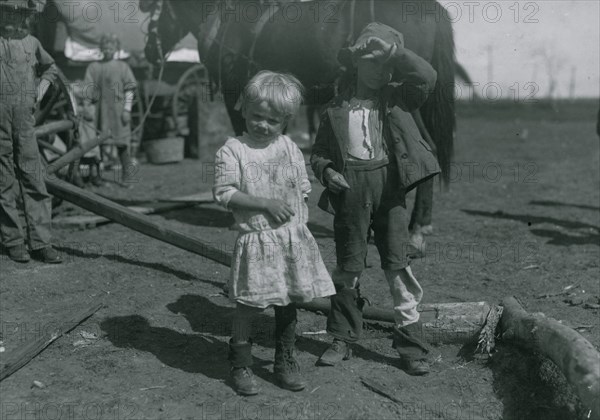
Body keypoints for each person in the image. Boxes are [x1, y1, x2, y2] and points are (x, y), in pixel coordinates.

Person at [310, 22, 440, 375]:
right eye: (372, 62)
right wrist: (326, 171)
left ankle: (411, 345)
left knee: (397, 264)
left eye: (387, 66)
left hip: (390, 192)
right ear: (355, 63)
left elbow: (426, 78)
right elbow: (318, 153)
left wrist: (396, 53)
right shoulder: (335, 109)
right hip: (351, 191)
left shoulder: (398, 99)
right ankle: (342, 337)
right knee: (349, 265)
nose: (380, 71)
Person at [213, 71, 335, 395]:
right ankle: (240, 364)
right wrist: (265, 203)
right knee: (248, 304)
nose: (263, 126)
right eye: (257, 117)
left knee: (289, 300)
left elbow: (303, 185)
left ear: (285, 121)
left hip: (290, 241)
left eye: (273, 121)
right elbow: (224, 192)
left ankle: (286, 359)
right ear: (243, 109)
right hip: (256, 241)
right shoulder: (233, 150)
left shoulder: (289, 148)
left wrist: (299, 206)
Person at [0, 6, 62, 263]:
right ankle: (13, 241)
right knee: (4, 181)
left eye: (19, 13)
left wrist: (40, 89)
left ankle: (41, 243)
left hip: (24, 121)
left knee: (34, 177)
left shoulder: (32, 43)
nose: (14, 18)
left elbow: (50, 68)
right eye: (7, 12)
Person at [83, 33, 136, 186]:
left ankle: (127, 176)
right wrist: (87, 107)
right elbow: (88, 89)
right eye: (105, 46)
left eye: (111, 46)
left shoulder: (123, 67)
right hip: (100, 111)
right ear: (101, 48)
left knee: (122, 143)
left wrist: (127, 110)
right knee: (98, 143)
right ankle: (97, 177)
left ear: (116, 48)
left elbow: (129, 90)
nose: (108, 49)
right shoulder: (94, 67)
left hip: (118, 112)